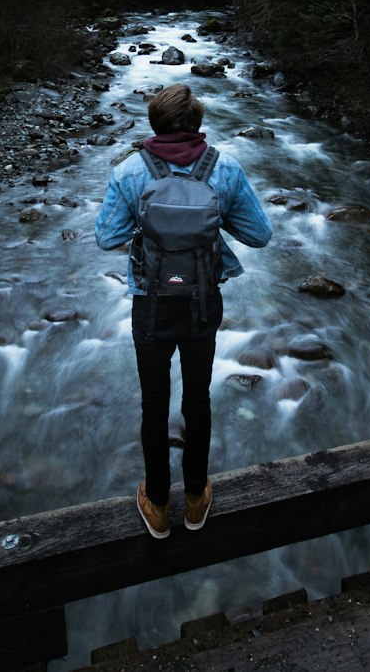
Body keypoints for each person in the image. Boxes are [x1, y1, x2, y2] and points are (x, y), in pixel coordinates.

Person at [94, 82, 272, 539]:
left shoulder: (130, 171)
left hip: (150, 305)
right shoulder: (226, 168)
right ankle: (195, 498)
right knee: (198, 399)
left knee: (153, 403)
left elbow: (107, 237)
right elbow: (260, 235)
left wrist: (150, 229)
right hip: (202, 304)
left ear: (154, 123)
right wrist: (213, 220)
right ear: (197, 124)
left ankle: (156, 503)